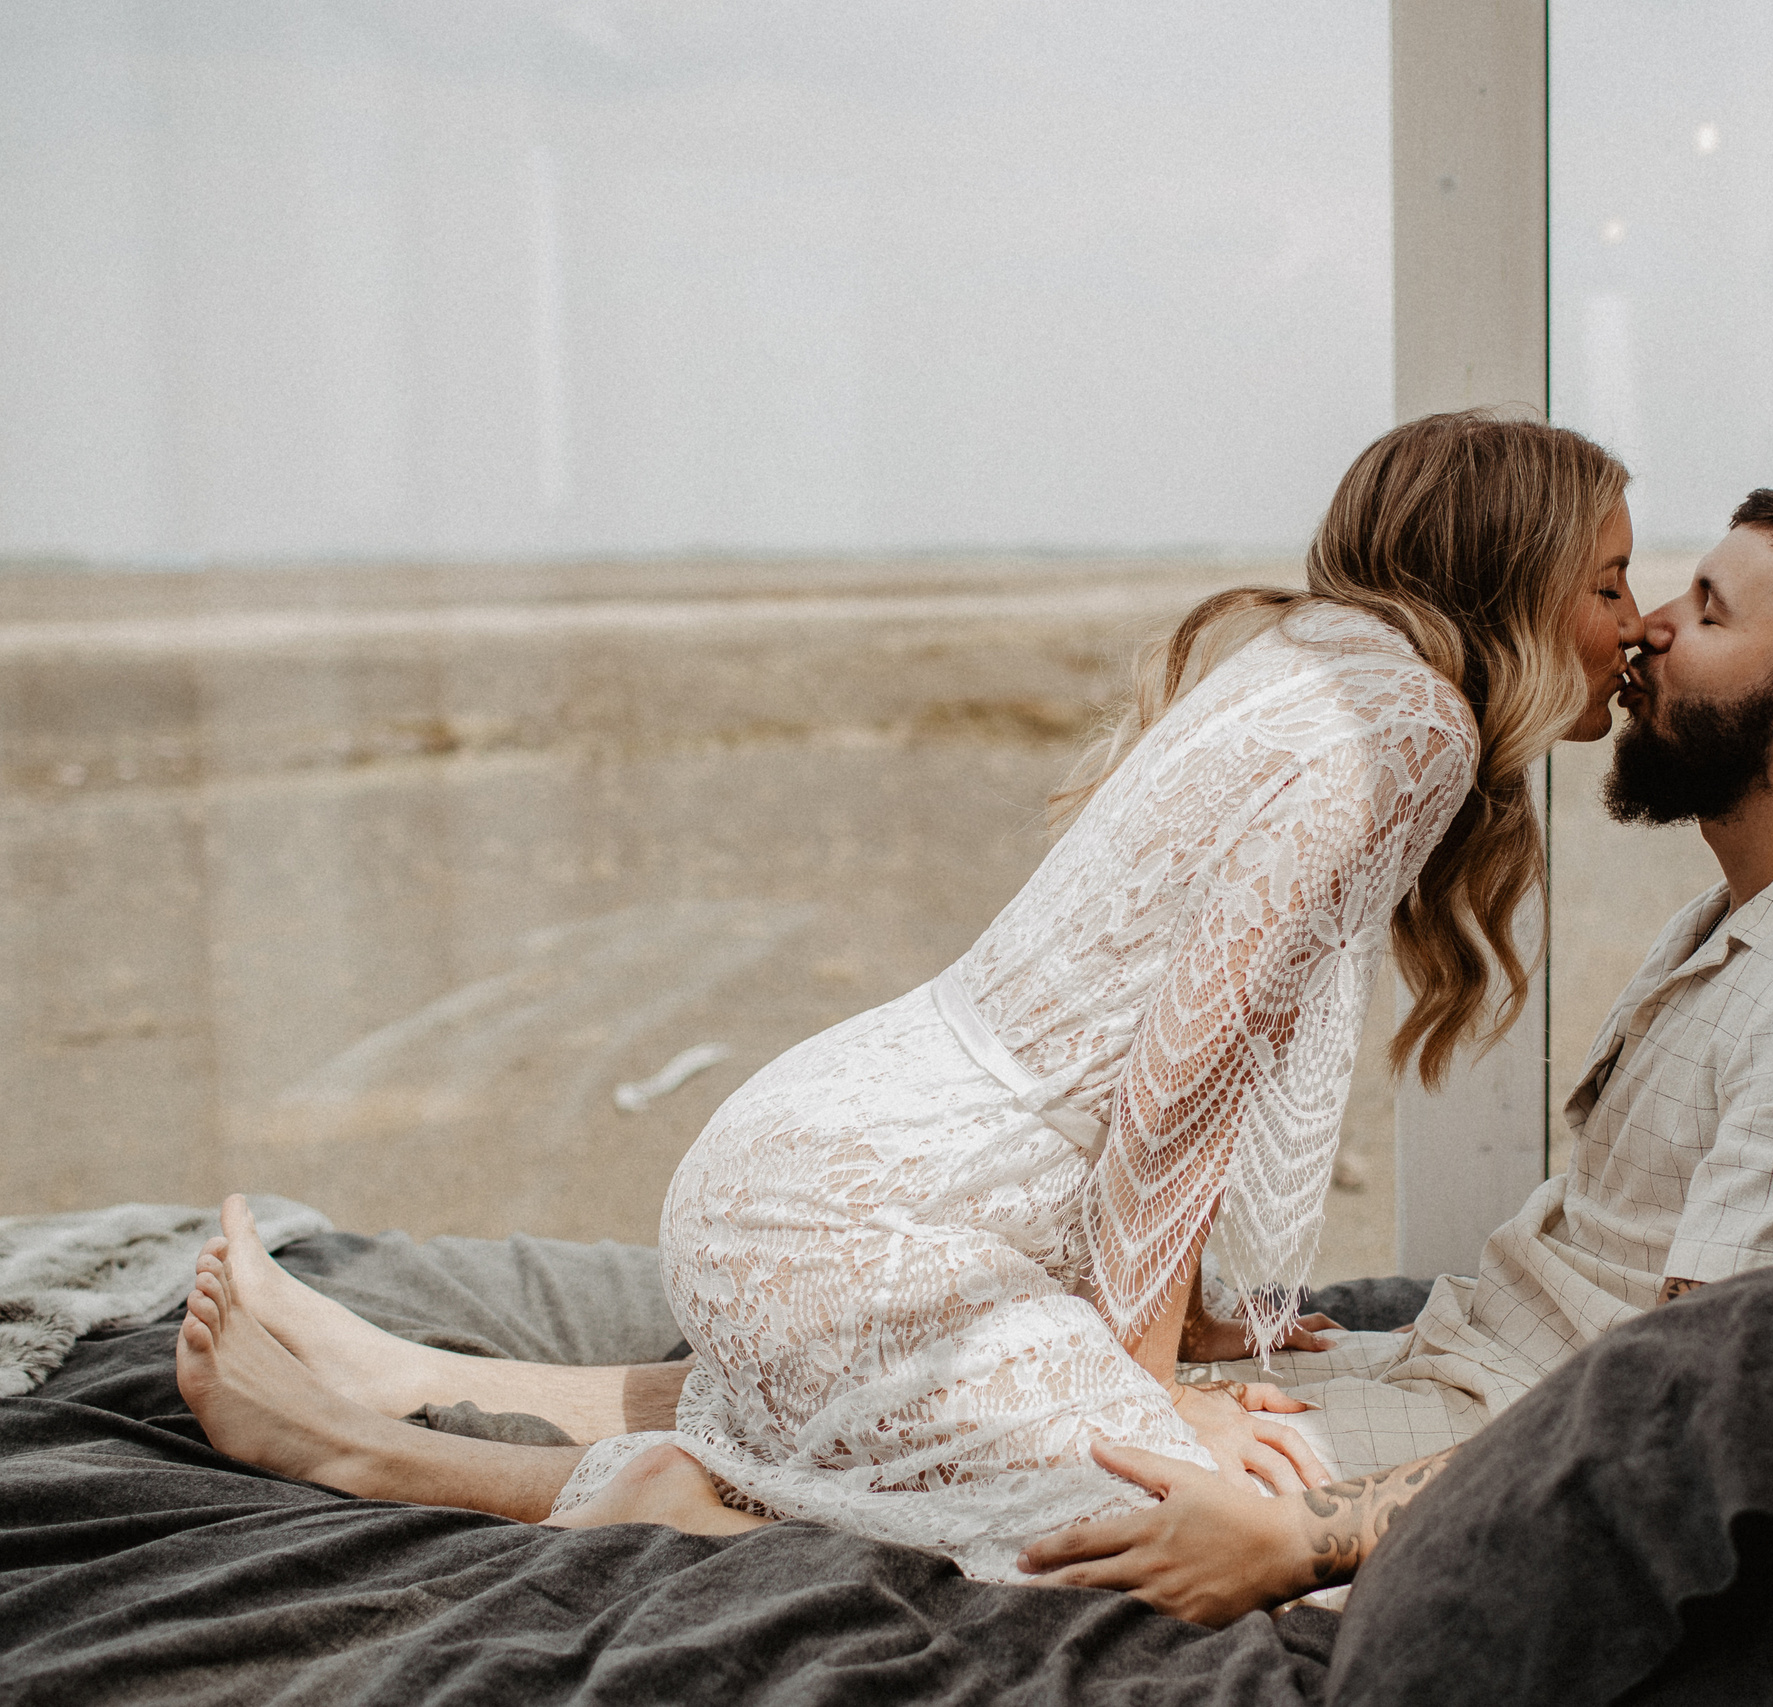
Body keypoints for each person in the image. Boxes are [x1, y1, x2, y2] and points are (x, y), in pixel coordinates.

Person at [171, 410, 1646, 1580]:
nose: (1631, 623)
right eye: (1606, 582)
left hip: (821, 1185)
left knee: (909, 1424)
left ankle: (397, 1363)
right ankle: (378, 1453)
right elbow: (1189, 1064)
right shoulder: (1405, 722)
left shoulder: (1323, 662)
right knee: (1143, 1520)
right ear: (1504, 582)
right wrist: (1158, 1381)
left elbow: (1185, 1036)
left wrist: (1195, 1325)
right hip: (873, 1226)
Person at [1018, 486, 1773, 1623]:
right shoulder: (1763, 921)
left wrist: (1305, 1535)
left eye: (1707, 611)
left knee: (1021, 1488)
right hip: (1460, 1374)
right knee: (1014, 1391)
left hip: (1517, 1456)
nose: (1647, 629)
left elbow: (1704, 1401)